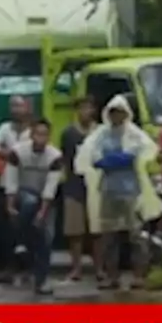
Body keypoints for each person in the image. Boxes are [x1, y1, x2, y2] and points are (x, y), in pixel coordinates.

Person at [75, 95, 162, 291]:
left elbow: (132, 156)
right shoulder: (100, 135)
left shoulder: (134, 134)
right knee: (109, 237)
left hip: (132, 191)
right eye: (113, 112)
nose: (116, 116)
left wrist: (112, 160)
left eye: (120, 112)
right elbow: (93, 158)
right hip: (108, 191)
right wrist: (114, 160)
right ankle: (112, 276)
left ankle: (139, 276)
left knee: (136, 236)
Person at [3, 119, 63, 296]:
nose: (41, 138)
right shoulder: (18, 152)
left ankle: (41, 279)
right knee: (29, 202)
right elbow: (11, 179)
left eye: (44, 134)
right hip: (24, 192)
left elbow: (50, 188)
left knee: (46, 237)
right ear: (31, 135)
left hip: (45, 198)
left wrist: (42, 212)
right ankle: (21, 240)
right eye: (37, 134)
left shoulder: (55, 157)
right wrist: (10, 205)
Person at [0, 96, 33, 284]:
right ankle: (8, 268)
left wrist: (12, 153)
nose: (15, 110)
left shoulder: (34, 130)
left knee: (28, 227)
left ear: (28, 107)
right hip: (6, 183)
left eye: (19, 105)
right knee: (7, 229)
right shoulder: (4, 128)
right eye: (13, 106)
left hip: (29, 184)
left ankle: (29, 268)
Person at [59, 96, 98, 282]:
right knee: (75, 232)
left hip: (96, 187)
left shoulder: (100, 132)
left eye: (88, 108)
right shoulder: (68, 133)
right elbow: (65, 160)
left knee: (97, 232)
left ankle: (100, 268)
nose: (85, 112)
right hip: (74, 186)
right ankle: (76, 268)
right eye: (82, 108)